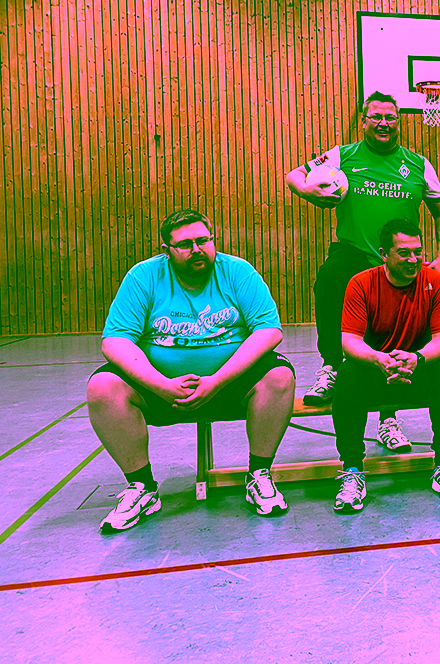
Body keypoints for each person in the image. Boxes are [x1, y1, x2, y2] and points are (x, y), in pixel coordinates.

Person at [87, 209, 295, 532]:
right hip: (162, 391)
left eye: (203, 241)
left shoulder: (237, 272)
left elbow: (269, 331)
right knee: (101, 387)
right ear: (167, 250)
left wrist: (217, 381)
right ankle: (142, 487)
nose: (197, 249)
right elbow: (115, 342)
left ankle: (259, 474)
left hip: (228, 387)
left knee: (280, 376)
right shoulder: (144, 277)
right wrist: (162, 385)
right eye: (185, 244)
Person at [286, 91, 440, 454]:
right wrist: (310, 192)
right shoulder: (342, 156)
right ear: (364, 122)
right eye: (376, 117)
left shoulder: (418, 164)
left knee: (392, 335)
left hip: (398, 263)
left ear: (398, 122)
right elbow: (293, 175)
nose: (383, 123)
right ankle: (332, 365)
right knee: (328, 278)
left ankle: (388, 418)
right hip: (353, 253)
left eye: (390, 117)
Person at [332, 218, 440, 512]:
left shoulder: (436, 282)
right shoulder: (361, 284)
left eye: (418, 251)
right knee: (347, 374)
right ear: (384, 254)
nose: (413, 259)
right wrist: (378, 359)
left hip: (416, 368)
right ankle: (352, 470)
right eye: (404, 253)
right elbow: (349, 342)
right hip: (375, 370)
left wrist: (418, 359)